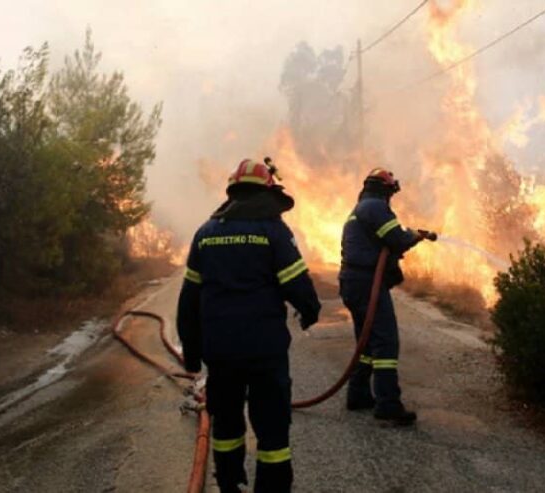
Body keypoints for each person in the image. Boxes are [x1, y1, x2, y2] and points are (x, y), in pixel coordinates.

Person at [177, 158, 321, 493]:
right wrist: (310, 311)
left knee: (226, 422)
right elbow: (297, 283)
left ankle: (229, 484)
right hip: (264, 351)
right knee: (272, 427)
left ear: (232, 192)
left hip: (221, 352)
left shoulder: (206, 234)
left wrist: (192, 355)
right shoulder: (273, 232)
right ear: (265, 193)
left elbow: (189, 301)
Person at [339, 167, 435, 426]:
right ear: (387, 190)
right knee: (386, 342)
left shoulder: (362, 208)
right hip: (366, 282)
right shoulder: (375, 207)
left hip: (354, 281)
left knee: (367, 341)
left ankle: (358, 394)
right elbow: (397, 239)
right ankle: (388, 404)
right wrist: (414, 236)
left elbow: (387, 239)